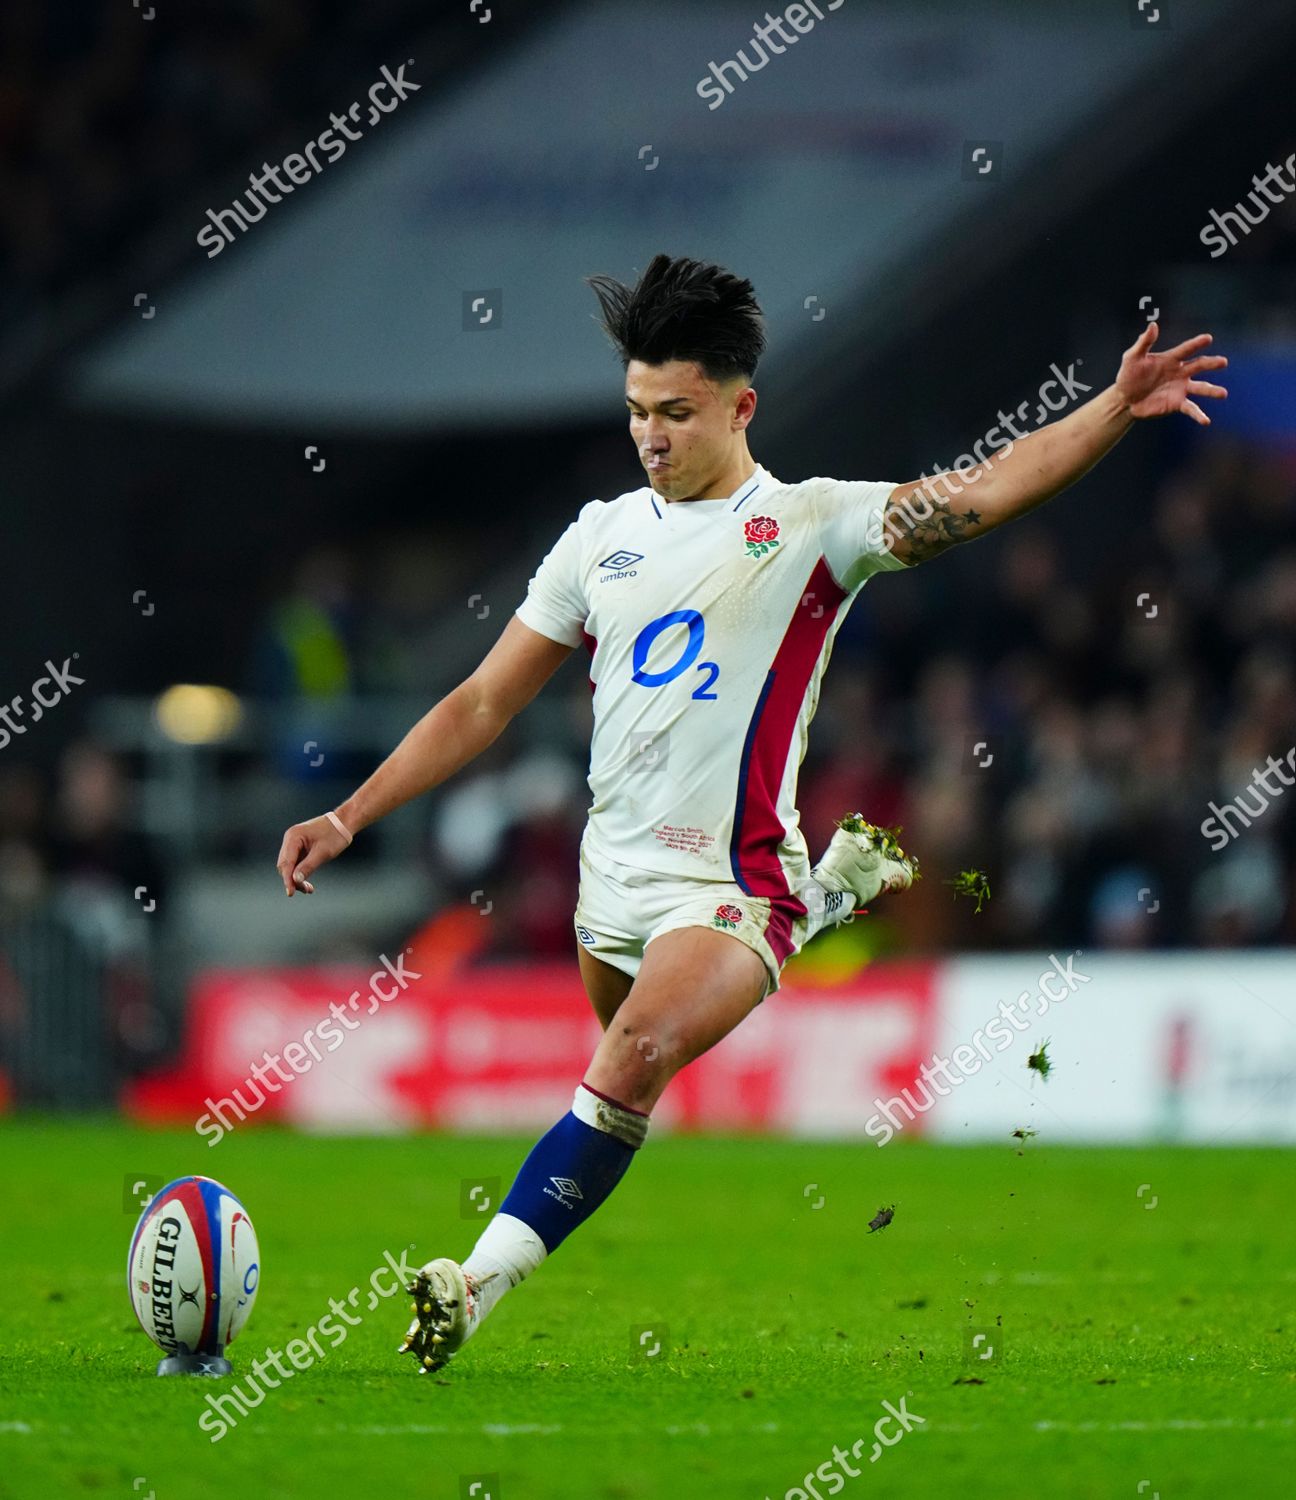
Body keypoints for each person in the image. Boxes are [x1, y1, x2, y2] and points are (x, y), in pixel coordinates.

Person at [274, 254, 1226, 1372]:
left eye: (676, 412)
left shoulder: (816, 526)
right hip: (609, 888)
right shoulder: (598, 538)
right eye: (636, 412)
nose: (652, 436)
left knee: (632, 1055)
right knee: (624, 1086)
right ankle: (830, 899)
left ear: (741, 405)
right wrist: (350, 814)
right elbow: (482, 699)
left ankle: (472, 1283)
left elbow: (984, 491)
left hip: (728, 885)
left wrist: (1114, 405)